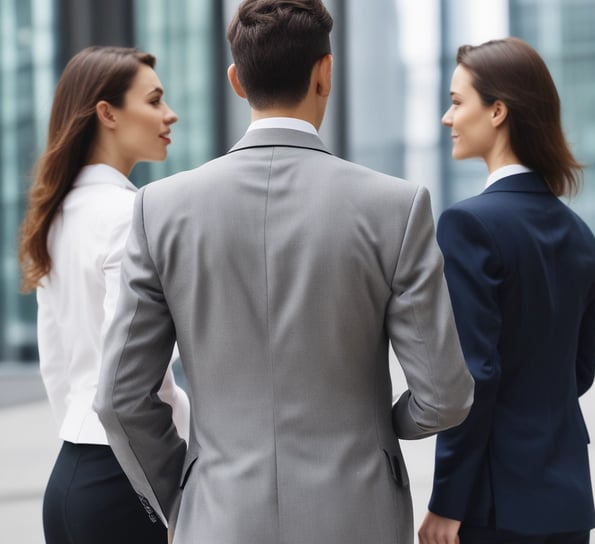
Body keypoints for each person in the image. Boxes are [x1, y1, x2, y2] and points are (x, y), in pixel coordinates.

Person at [94, 1, 474, 543]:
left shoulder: (161, 208)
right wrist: (382, 429)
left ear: (236, 81)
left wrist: (185, 496)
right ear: (326, 72)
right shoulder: (397, 206)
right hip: (359, 514)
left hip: (218, 518)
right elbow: (445, 396)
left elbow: (118, 398)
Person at [419, 37, 595, 544]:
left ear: (498, 111)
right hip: (565, 503)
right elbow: (578, 373)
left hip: (492, 505)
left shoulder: (467, 224)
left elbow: (472, 376)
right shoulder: (580, 236)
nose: (446, 118)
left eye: (457, 102)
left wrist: (446, 502)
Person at [18, 46, 189, 544]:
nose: (170, 112)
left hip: (71, 476)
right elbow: (134, 381)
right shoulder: (131, 214)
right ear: (107, 112)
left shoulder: (59, 214)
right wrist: (173, 498)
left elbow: (58, 367)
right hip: (128, 485)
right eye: (155, 100)